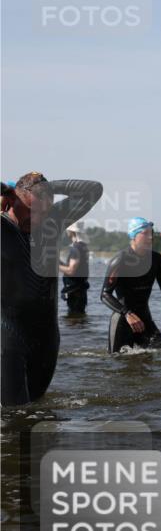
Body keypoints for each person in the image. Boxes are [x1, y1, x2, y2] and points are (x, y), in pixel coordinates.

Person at [2, 172, 103, 405]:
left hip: (46, 336)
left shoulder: (53, 221)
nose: (37, 219)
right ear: (13, 199)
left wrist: (48, 187)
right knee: (15, 412)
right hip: (8, 335)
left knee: (37, 406)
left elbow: (93, 189)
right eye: (31, 210)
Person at [101, 217, 161, 353]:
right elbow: (105, 294)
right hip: (123, 320)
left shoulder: (156, 259)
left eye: (152, 233)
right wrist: (127, 313)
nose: (150, 237)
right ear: (133, 236)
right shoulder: (120, 260)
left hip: (145, 319)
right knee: (117, 363)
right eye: (145, 234)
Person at [59, 221, 91, 314]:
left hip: (75, 292)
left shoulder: (75, 248)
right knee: (79, 319)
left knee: (74, 319)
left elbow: (71, 270)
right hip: (80, 290)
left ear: (72, 232)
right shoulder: (83, 246)